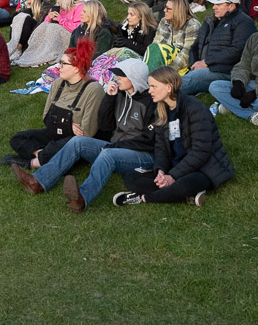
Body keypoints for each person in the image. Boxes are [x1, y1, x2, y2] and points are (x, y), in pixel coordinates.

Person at [11, 59, 157, 213]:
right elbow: (106, 126)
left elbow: (148, 141)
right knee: (77, 142)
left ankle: (81, 198)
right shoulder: (121, 95)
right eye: (117, 75)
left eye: (122, 75)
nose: (117, 78)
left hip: (142, 154)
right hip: (117, 147)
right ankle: (38, 182)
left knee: (108, 154)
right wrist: (109, 98)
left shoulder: (150, 103)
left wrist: (115, 146)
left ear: (134, 78)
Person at [113, 66, 234, 207]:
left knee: (183, 185)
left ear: (169, 87)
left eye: (153, 86)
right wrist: (161, 171)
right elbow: (160, 149)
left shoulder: (195, 108)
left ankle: (143, 198)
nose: (149, 91)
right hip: (175, 166)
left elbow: (201, 152)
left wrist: (172, 176)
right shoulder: (161, 111)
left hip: (204, 168)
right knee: (131, 178)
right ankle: (183, 195)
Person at [4, 39, 104, 168]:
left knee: (60, 146)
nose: (59, 67)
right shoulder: (57, 84)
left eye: (63, 63)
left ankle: (32, 162)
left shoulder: (94, 90)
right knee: (18, 138)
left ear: (77, 68)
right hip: (56, 134)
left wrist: (60, 124)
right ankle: (43, 155)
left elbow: (86, 133)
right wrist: (68, 125)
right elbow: (46, 117)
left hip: (76, 142)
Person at [181, 0, 257, 96]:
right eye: (214, 4)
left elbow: (237, 50)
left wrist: (206, 62)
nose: (213, 7)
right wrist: (194, 64)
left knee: (186, 81)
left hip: (225, 71)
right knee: (171, 77)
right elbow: (195, 46)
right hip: (202, 68)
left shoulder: (244, 22)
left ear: (231, 6)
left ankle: (161, 95)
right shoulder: (210, 20)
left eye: (218, 4)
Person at [144, 0, 201, 72]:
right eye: (165, 7)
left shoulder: (192, 25)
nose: (164, 10)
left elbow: (186, 56)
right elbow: (155, 44)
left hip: (180, 67)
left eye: (168, 9)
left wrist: (168, 71)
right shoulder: (164, 21)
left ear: (178, 11)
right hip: (162, 62)